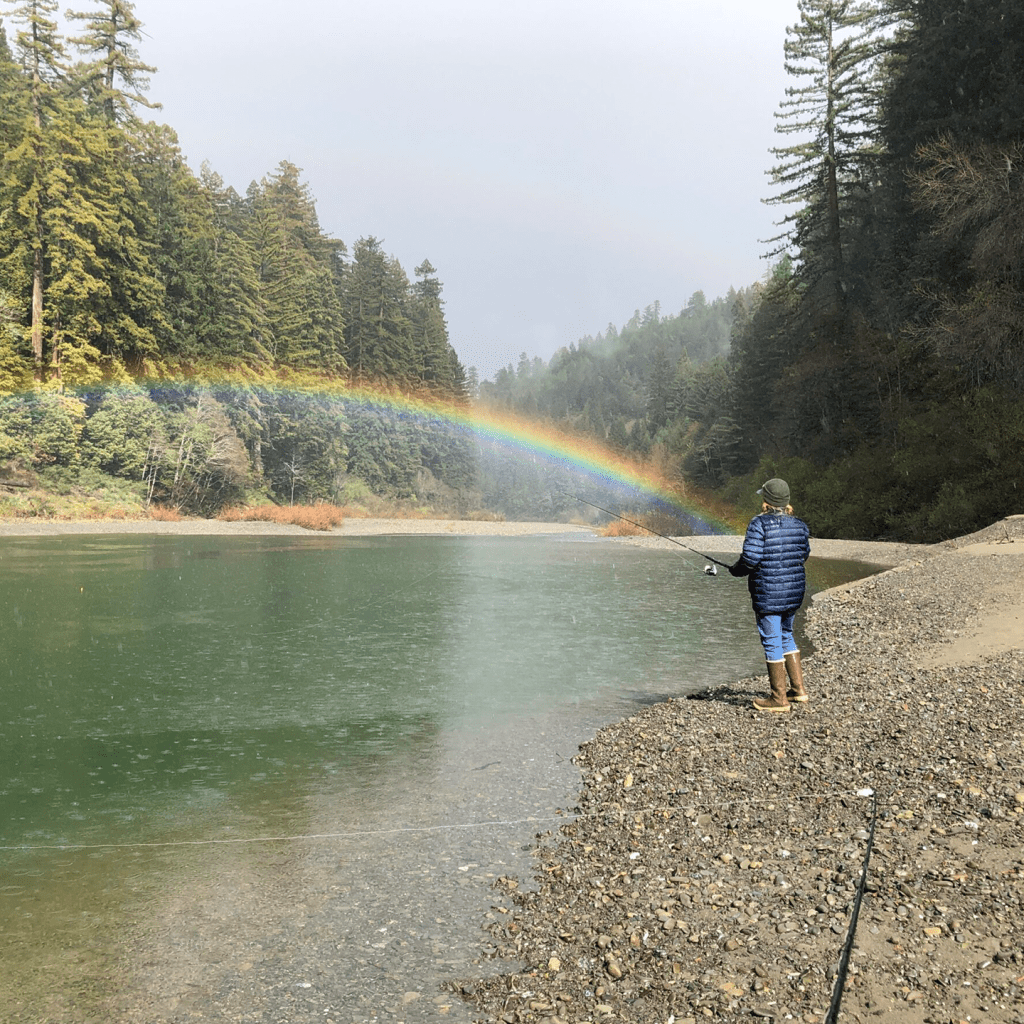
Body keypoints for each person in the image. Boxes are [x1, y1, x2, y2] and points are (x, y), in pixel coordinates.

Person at [729, 478, 811, 713]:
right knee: (787, 634)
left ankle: (779, 698)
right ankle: (798, 690)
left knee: (772, 639)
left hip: (769, 593)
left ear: (767, 501)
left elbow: (751, 559)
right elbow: (803, 554)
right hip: (794, 592)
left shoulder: (759, 524)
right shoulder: (799, 525)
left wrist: (735, 570)